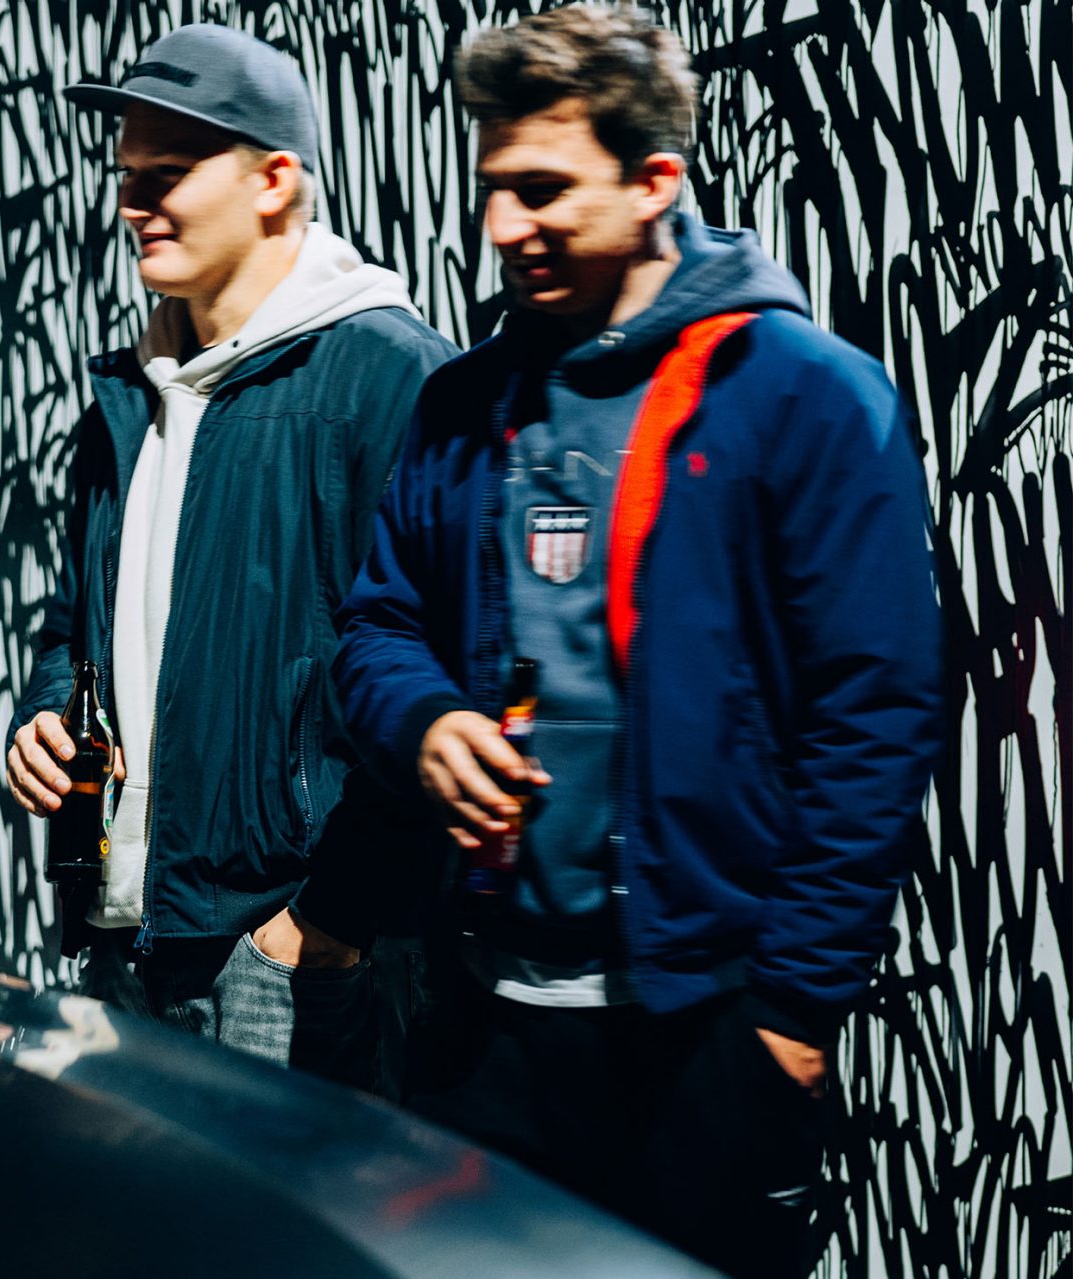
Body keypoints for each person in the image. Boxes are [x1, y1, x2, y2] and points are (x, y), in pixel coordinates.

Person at [330, 6, 943, 1275]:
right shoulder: (463, 403)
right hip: (479, 1014)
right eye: (494, 190)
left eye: (544, 191)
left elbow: (874, 712)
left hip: (703, 1030)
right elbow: (379, 626)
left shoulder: (806, 394)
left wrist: (792, 1011)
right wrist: (425, 721)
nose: (504, 229)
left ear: (656, 180)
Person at [6, 24, 458, 1078]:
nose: (134, 203)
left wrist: (322, 925)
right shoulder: (128, 395)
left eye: (168, 175)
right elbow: (75, 624)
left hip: (288, 956)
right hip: (126, 938)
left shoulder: (389, 375)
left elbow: (439, 672)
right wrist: (40, 712)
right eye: (127, 175)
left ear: (275, 182)